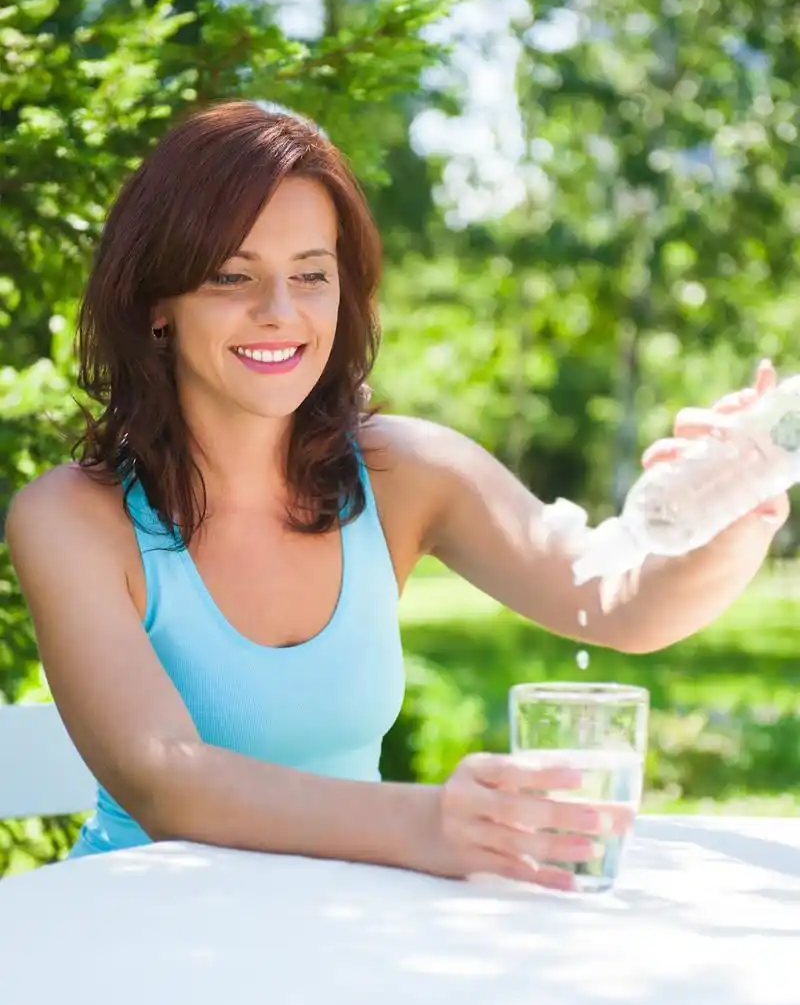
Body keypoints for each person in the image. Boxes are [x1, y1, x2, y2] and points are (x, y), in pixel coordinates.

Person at [6, 100, 788, 891]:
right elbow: (165, 781)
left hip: (352, 939)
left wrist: (735, 505)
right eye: (231, 275)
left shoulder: (400, 472)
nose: (280, 312)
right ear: (157, 306)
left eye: (311, 274)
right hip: (133, 941)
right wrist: (428, 822)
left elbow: (616, 600)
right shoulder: (71, 519)